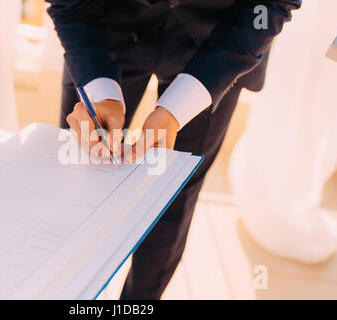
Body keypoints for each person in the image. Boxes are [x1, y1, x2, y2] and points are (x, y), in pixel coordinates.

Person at [46, 0, 301, 300]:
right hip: (103, 30)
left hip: (220, 45)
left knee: (173, 202)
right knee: (78, 182)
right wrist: (99, 89)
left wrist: (178, 107)